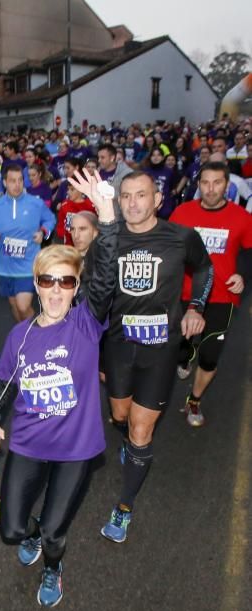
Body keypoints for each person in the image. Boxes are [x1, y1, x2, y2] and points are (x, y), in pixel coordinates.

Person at [0, 172, 118, 607]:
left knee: (57, 531)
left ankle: (53, 566)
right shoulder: (20, 336)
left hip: (76, 450)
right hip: (29, 444)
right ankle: (35, 532)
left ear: (76, 288)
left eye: (66, 282)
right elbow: (2, 386)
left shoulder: (85, 322)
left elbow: (107, 273)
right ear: (36, 284)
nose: (57, 290)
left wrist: (107, 214)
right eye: (48, 281)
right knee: (11, 530)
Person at [70, 170, 213, 543]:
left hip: (160, 351)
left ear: (157, 199)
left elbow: (205, 269)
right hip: (117, 347)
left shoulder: (180, 237)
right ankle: (129, 440)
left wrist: (196, 306)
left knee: (140, 429)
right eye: (126, 196)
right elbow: (94, 294)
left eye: (141, 195)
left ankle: (124, 507)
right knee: (120, 415)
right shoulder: (107, 242)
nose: (133, 203)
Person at [170, 161, 252, 426]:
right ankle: (185, 357)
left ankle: (193, 401)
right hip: (184, 292)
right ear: (198, 184)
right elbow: (167, 247)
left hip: (222, 297)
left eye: (217, 183)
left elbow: (249, 251)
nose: (210, 188)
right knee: (182, 347)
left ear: (227, 185)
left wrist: (242, 274)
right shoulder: (182, 213)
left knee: (209, 356)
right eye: (205, 182)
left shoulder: (242, 217)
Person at [0, 163, 56, 322]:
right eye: (12, 181)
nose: (17, 185)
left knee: (23, 307)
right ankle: (23, 337)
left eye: (20, 180)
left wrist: (43, 232)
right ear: (4, 182)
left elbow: (50, 219)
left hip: (28, 266)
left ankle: (39, 336)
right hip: (5, 268)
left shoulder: (35, 203)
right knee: (15, 307)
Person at [97, 144, 132, 220]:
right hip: (100, 217)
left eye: (102, 157)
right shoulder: (98, 171)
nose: (99, 160)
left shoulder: (127, 174)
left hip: (120, 220)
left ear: (112, 158)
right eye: (98, 157)